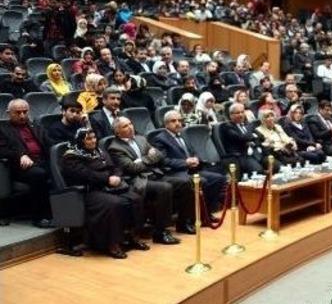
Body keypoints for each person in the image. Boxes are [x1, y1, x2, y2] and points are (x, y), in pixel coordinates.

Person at [60, 128, 147, 259]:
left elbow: (115, 166)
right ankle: (112, 243)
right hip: (88, 191)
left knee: (135, 198)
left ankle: (132, 236)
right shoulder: (71, 156)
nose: (93, 141)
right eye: (88, 139)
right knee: (114, 204)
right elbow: (85, 174)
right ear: (80, 141)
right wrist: (107, 178)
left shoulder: (99, 151)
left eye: (94, 137)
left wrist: (117, 176)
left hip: (109, 187)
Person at [107, 117, 191, 243]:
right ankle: (160, 232)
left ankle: (182, 223)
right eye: (125, 126)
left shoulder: (141, 138)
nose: (130, 127)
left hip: (154, 174)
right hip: (138, 180)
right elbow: (133, 168)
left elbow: (159, 155)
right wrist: (149, 157)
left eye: (130, 123)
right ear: (117, 132)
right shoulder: (115, 148)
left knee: (185, 182)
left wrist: (143, 160)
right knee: (165, 188)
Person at [151, 111, 225, 220]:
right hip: (175, 173)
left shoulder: (182, 135)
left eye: (180, 121)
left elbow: (193, 152)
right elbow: (163, 161)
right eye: (173, 121)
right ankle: (191, 217)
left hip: (191, 170)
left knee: (218, 179)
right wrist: (185, 162)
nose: (178, 123)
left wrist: (196, 159)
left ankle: (206, 214)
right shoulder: (160, 139)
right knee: (201, 181)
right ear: (166, 124)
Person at [0, 99, 53, 227]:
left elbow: (49, 143)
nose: (22, 115)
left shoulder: (35, 126)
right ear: (8, 113)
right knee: (39, 174)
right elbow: (2, 149)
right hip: (19, 167)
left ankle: (64, 211)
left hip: (42, 161)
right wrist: (21, 155)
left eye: (25, 112)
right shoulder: (3, 129)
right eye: (18, 113)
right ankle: (40, 217)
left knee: (63, 168)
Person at [220, 102, 275, 174]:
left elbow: (261, 137)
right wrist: (250, 127)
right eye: (237, 113)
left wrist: (253, 141)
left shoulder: (246, 125)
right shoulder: (227, 126)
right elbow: (242, 138)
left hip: (256, 152)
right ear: (231, 115)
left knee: (275, 165)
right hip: (241, 155)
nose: (241, 115)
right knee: (258, 171)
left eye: (242, 112)